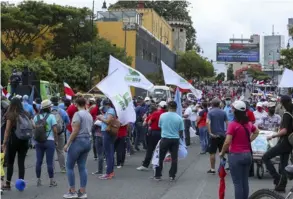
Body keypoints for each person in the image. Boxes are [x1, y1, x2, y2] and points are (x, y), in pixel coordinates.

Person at [220, 100, 259, 199]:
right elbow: (257, 132)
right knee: (244, 181)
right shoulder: (249, 123)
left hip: (236, 156)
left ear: (235, 111)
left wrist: (222, 152)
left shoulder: (233, 125)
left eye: (233, 108)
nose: (231, 110)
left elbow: (227, 141)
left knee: (237, 183)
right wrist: (248, 140)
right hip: (248, 155)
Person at [63, 97, 93, 199]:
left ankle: (72, 191)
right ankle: (83, 191)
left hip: (78, 141)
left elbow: (75, 131)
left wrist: (67, 143)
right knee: (82, 166)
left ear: (76, 104)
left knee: (69, 166)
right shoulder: (88, 114)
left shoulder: (77, 114)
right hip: (87, 141)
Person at [262, 95, 293, 192]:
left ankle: (276, 178)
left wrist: (273, 136)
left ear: (282, 103)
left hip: (284, 142)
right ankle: (281, 186)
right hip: (289, 143)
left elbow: (284, 131)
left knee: (265, 157)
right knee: (283, 165)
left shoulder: (287, 114)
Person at [1, 98, 30, 190]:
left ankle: (8, 184)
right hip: (25, 140)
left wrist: (4, 143)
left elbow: (7, 130)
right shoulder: (26, 114)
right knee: (21, 162)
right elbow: (32, 126)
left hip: (13, 140)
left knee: (10, 162)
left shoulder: (11, 114)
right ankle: (21, 184)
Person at [154, 101, 184, 181]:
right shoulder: (179, 118)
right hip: (175, 139)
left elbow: (160, 126)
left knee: (160, 157)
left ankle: (158, 175)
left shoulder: (162, 116)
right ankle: (172, 175)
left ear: (168, 107)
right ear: (176, 108)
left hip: (165, 138)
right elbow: (181, 131)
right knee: (174, 158)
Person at [34, 99, 58, 187]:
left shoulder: (36, 117)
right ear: (49, 107)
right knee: (49, 162)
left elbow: (34, 128)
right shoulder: (51, 116)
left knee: (38, 161)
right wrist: (56, 140)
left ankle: (38, 180)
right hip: (49, 140)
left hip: (38, 141)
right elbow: (55, 130)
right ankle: (51, 181)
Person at [137, 101, 167, 171]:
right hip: (164, 133)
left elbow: (147, 122)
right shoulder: (167, 114)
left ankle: (145, 165)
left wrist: (146, 120)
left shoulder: (156, 113)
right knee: (160, 149)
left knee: (150, 149)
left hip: (154, 133)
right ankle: (158, 165)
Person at [207, 98, 228, 174]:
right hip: (222, 134)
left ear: (212, 104)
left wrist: (210, 133)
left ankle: (212, 169)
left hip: (214, 135)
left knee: (212, 153)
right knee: (222, 152)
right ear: (219, 104)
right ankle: (222, 168)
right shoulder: (223, 112)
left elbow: (208, 123)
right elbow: (227, 122)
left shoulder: (210, 113)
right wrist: (227, 132)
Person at [97, 99, 116, 180]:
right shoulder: (109, 111)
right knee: (109, 153)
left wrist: (101, 118)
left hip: (107, 133)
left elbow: (108, 121)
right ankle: (110, 172)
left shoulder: (111, 110)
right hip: (107, 132)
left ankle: (108, 173)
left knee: (108, 153)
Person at [51, 96, 70, 173]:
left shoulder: (49, 111)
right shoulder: (62, 111)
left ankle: (52, 169)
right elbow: (67, 121)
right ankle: (62, 168)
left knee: (51, 152)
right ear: (58, 102)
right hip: (60, 133)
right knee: (60, 151)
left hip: (51, 134)